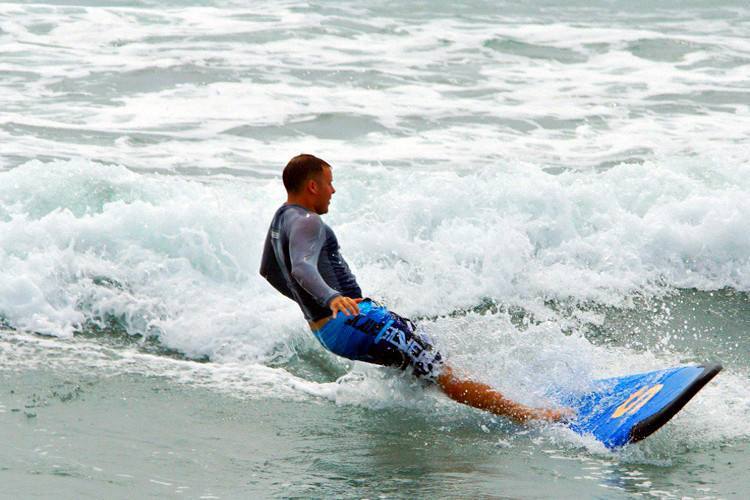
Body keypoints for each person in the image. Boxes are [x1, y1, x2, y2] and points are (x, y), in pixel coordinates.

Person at [260, 154, 571, 423]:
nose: (333, 190)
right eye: (329, 183)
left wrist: (314, 307)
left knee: (427, 362)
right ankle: (529, 415)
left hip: (330, 332)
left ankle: (499, 403)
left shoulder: (281, 218)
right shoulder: (308, 221)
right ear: (312, 186)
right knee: (442, 372)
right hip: (355, 321)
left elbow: (270, 272)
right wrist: (332, 299)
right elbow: (301, 267)